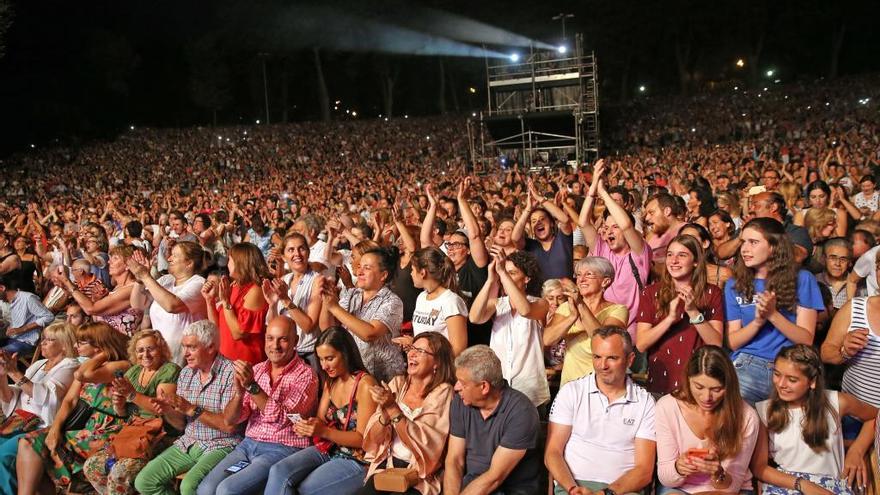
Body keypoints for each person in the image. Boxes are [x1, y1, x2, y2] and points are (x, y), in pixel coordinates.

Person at [196, 316, 319, 495]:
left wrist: (253, 387)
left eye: (283, 339)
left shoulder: (306, 375)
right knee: (205, 490)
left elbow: (283, 420)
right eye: (270, 338)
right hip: (248, 445)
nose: (275, 346)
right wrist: (239, 393)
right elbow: (231, 420)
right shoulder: (257, 369)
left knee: (227, 490)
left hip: (283, 448)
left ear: (295, 341)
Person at [17, 322, 131, 494]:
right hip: (82, 427)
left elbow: (82, 375)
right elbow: (69, 400)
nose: (76, 346)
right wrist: (55, 429)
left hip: (105, 430)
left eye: (82, 342)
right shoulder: (87, 365)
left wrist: (104, 354)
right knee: (30, 442)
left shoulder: (119, 365)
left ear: (99, 345)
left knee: (42, 452)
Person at [264, 327, 378, 495]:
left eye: (330, 358)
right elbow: (321, 420)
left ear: (345, 354)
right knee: (278, 471)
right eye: (321, 359)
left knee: (306, 489)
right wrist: (308, 425)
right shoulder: (331, 381)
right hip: (329, 448)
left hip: (357, 459)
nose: (324, 366)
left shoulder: (365, 384)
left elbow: (363, 440)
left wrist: (324, 431)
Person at [545, 326, 656, 495]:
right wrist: (573, 489)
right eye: (597, 357)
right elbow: (553, 452)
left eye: (612, 358)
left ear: (630, 360)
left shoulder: (645, 402)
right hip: (573, 485)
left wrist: (606, 493)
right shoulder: (571, 391)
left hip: (622, 489)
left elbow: (644, 470)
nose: (602, 365)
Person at [753, 345, 878, 495]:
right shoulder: (765, 411)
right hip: (787, 484)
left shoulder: (835, 402)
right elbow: (759, 468)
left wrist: (856, 451)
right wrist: (803, 485)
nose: (781, 384)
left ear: (812, 382)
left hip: (831, 485)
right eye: (777, 374)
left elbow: (875, 416)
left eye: (792, 379)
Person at [134, 320, 240, 495]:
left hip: (223, 444)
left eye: (191, 347)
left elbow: (229, 426)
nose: (185, 354)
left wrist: (191, 409)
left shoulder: (231, 373)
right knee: (144, 481)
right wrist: (168, 410)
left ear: (211, 347)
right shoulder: (186, 373)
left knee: (189, 486)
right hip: (189, 441)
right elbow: (181, 424)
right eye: (184, 347)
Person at [726, 218, 824, 404]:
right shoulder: (734, 284)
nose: (744, 249)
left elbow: (806, 339)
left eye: (753, 242)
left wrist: (772, 314)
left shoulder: (803, 279)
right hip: (746, 365)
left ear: (773, 246)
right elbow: (733, 342)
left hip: (790, 369)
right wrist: (758, 321)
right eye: (743, 242)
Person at [83, 329, 181, 495]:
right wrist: (119, 403)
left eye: (151, 348)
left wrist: (132, 394)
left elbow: (160, 408)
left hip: (161, 433)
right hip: (134, 432)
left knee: (119, 473)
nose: (146, 354)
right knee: (92, 467)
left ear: (161, 349)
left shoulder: (169, 370)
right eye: (140, 350)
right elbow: (122, 414)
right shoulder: (134, 371)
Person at [356, 332, 456, 495]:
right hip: (387, 467)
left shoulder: (443, 392)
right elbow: (372, 441)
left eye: (421, 351)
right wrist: (384, 415)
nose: (412, 353)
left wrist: (393, 408)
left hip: (418, 475)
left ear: (437, 362)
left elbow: (427, 447)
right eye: (411, 348)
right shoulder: (397, 384)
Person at [655, 345, 760, 494]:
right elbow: (666, 478)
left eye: (716, 390)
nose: (706, 398)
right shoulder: (667, 406)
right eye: (699, 387)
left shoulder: (747, 416)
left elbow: (733, 486)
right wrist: (678, 468)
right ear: (688, 380)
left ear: (728, 386)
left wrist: (718, 473)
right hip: (680, 489)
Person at [444, 345, 541, 495]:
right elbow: (454, 460)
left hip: (511, 490)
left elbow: (494, 477)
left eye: (463, 383)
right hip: (471, 488)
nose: (456, 387)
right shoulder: (460, 402)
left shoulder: (522, 412)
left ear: (484, 387)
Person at [636, 234, 724, 395]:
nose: (673, 260)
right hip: (661, 380)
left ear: (696, 261)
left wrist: (693, 312)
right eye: (670, 254)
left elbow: (716, 343)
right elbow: (641, 344)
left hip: (699, 382)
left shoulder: (712, 293)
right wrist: (669, 319)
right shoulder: (650, 293)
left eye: (681, 255)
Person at [0, 322, 79, 494]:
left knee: (3, 456)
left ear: (64, 345)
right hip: (21, 420)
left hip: (42, 426)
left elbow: (48, 397)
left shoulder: (70, 365)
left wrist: (14, 372)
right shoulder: (39, 364)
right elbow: (16, 394)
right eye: (42, 339)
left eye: (49, 340)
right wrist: (2, 375)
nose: (42, 342)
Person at [578, 160, 652, 339]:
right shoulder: (602, 251)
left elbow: (626, 224)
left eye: (614, 227)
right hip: (597, 328)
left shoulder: (639, 253)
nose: (609, 231)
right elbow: (583, 223)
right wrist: (594, 186)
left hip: (630, 335)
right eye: (606, 226)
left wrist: (604, 192)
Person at [469, 250, 550, 409]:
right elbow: (474, 318)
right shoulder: (498, 304)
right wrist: (491, 280)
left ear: (527, 278)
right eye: (505, 273)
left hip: (530, 390)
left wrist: (502, 273)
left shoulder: (540, 303)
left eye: (512, 273)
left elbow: (525, 310)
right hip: (498, 388)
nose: (505, 277)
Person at [319, 246, 406, 382]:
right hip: (355, 376)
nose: (360, 272)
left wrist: (335, 308)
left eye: (367, 268)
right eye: (360, 267)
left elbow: (370, 333)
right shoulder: (352, 294)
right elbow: (327, 329)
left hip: (385, 380)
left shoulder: (393, 301)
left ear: (383, 275)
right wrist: (327, 300)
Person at [543, 257, 628, 386]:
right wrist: (572, 317)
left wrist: (580, 304)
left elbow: (604, 340)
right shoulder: (566, 308)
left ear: (605, 281)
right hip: (570, 386)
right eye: (578, 275)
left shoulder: (617, 310)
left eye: (588, 274)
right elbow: (547, 339)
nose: (581, 280)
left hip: (601, 385)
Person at [129, 241, 208, 365]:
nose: (169, 258)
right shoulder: (166, 280)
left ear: (189, 263)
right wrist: (139, 280)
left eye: (175, 255)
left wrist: (146, 276)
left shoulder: (198, 283)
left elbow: (172, 306)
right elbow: (138, 305)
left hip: (183, 359)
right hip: (158, 354)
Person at [820, 254, 880, 409]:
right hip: (855, 413)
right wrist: (845, 351)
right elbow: (826, 353)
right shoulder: (855, 308)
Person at [263, 233, 325, 368]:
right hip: (284, 354)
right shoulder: (285, 279)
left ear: (308, 252)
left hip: (308, 355)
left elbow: (308, 326)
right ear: (284, 257)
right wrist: (272, 305)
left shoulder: (317, 280)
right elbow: (273, 324)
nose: (297, 254)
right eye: (291, 250)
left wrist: (286, 300)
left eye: (301, 248)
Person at [202, 242, 269, 365]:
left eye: (230, 260)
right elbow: (216, 327)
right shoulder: (234, 286)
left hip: (245, 364)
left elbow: (238, 333)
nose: (227, 264)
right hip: (226, 361)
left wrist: (226, 302)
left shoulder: (256, 290)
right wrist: (209, 301)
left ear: (241, 262)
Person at [57, 245, 144, 336]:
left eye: (115, 258)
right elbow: (94, 316)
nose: (109, 262)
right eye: (110, 258)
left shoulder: (130, 289)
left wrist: (67, 282)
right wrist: (96, 299)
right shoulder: (117, 288)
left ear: (128, 265)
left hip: (118, 345)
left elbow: (91, 309)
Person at [406, 247, 468, 355]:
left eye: (412, 270)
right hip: (423, 367)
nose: (410, 274)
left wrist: (419, 348)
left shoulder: (451, 301)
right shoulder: (421, 297)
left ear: (423, 273)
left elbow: (458, 349)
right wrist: (413, 345)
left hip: (442, 369)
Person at [512, 179, 574, 280]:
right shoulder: (531, 246)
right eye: (534, 221)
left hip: (565, 294)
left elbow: (565, 220)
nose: (538, 223)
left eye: (542, 219)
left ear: (551, 223)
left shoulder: (562, 239)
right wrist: (528, 209)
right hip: (540, 295)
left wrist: (540, 198)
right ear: (531, 228)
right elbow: (515, 238)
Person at [0, 274, 54, 354]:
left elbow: (49, 317)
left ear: (2, 288)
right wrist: (2, 324)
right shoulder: (2, 301)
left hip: (25, 342)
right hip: (11, 338)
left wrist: (23, 329)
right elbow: (10, 321)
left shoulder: (28, 298)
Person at [680, 222, 733, 288]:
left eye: (692, 238)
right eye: (682, 239)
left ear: (705, 243)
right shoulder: (672, 271)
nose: (686, 243)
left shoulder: (723, 274)